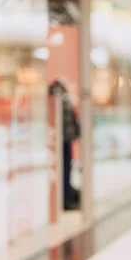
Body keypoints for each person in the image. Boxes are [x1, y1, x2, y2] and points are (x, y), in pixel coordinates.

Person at [49, 80, 81, 210]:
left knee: (67, 169)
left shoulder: (62, 94)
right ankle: (64, 200)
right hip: (62, 140)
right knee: (63, 170)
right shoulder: (58, 94)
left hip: (65, 139)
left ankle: (67, 197)